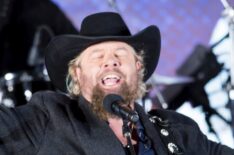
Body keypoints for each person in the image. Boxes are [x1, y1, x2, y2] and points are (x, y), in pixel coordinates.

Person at [0, 12, 233, 155]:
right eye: (97, 56)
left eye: (121, 54)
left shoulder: (178, 130)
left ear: (138, 68)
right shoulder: (48, 117)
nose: (110, 61)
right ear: (77, 74)